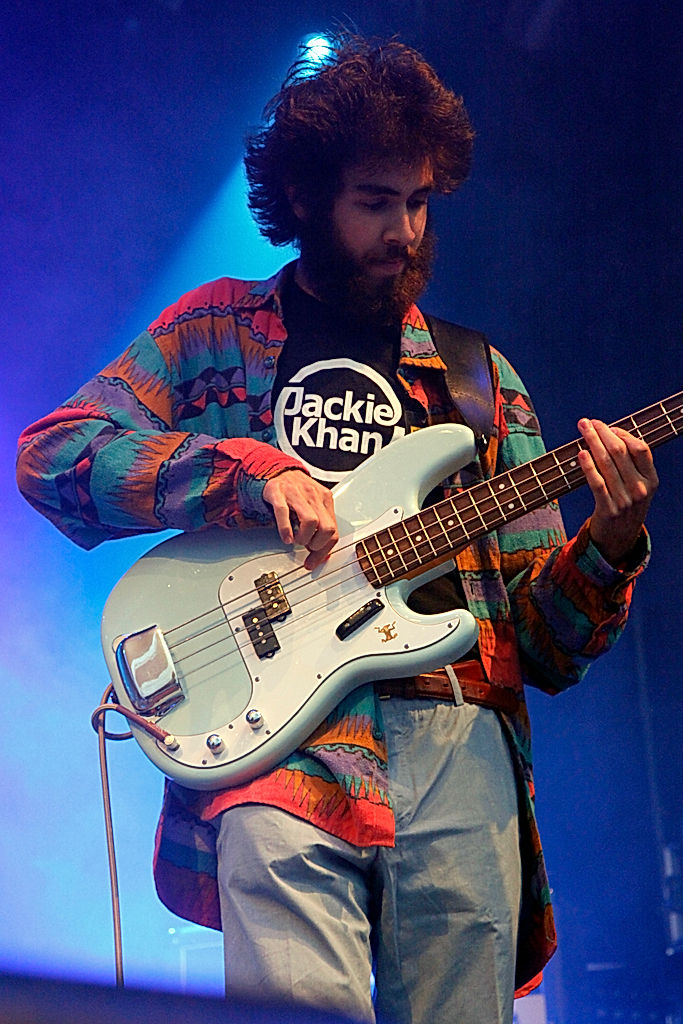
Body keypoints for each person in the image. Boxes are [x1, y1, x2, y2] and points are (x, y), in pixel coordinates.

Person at [16, 34, 658, 1024]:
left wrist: (609, 544)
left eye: (419, 202)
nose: (404, 229)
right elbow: (53, 457)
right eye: (374, 203)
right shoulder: (213, 334)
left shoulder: (480, 381)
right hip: (278, 746)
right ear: (306, 199)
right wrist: (242, 469)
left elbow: (544, 642)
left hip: (457, 732)